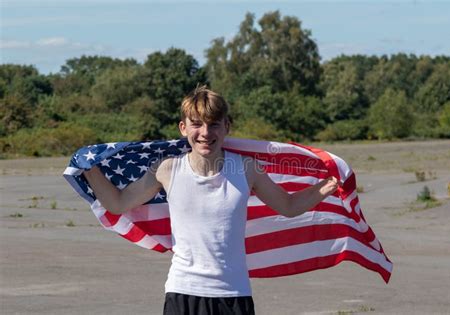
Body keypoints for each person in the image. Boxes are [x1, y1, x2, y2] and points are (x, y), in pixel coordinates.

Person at [83, 86, 339, 315]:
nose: (205, 132)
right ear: (183, 128)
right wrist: (87, 169)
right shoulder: (167, 170)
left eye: (214, 124)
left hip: (233, 294)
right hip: (183, 291)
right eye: (197, 124)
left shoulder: (247, 169)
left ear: (227, 126)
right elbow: (117, 203)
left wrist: (325, 187)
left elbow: (289, 206)